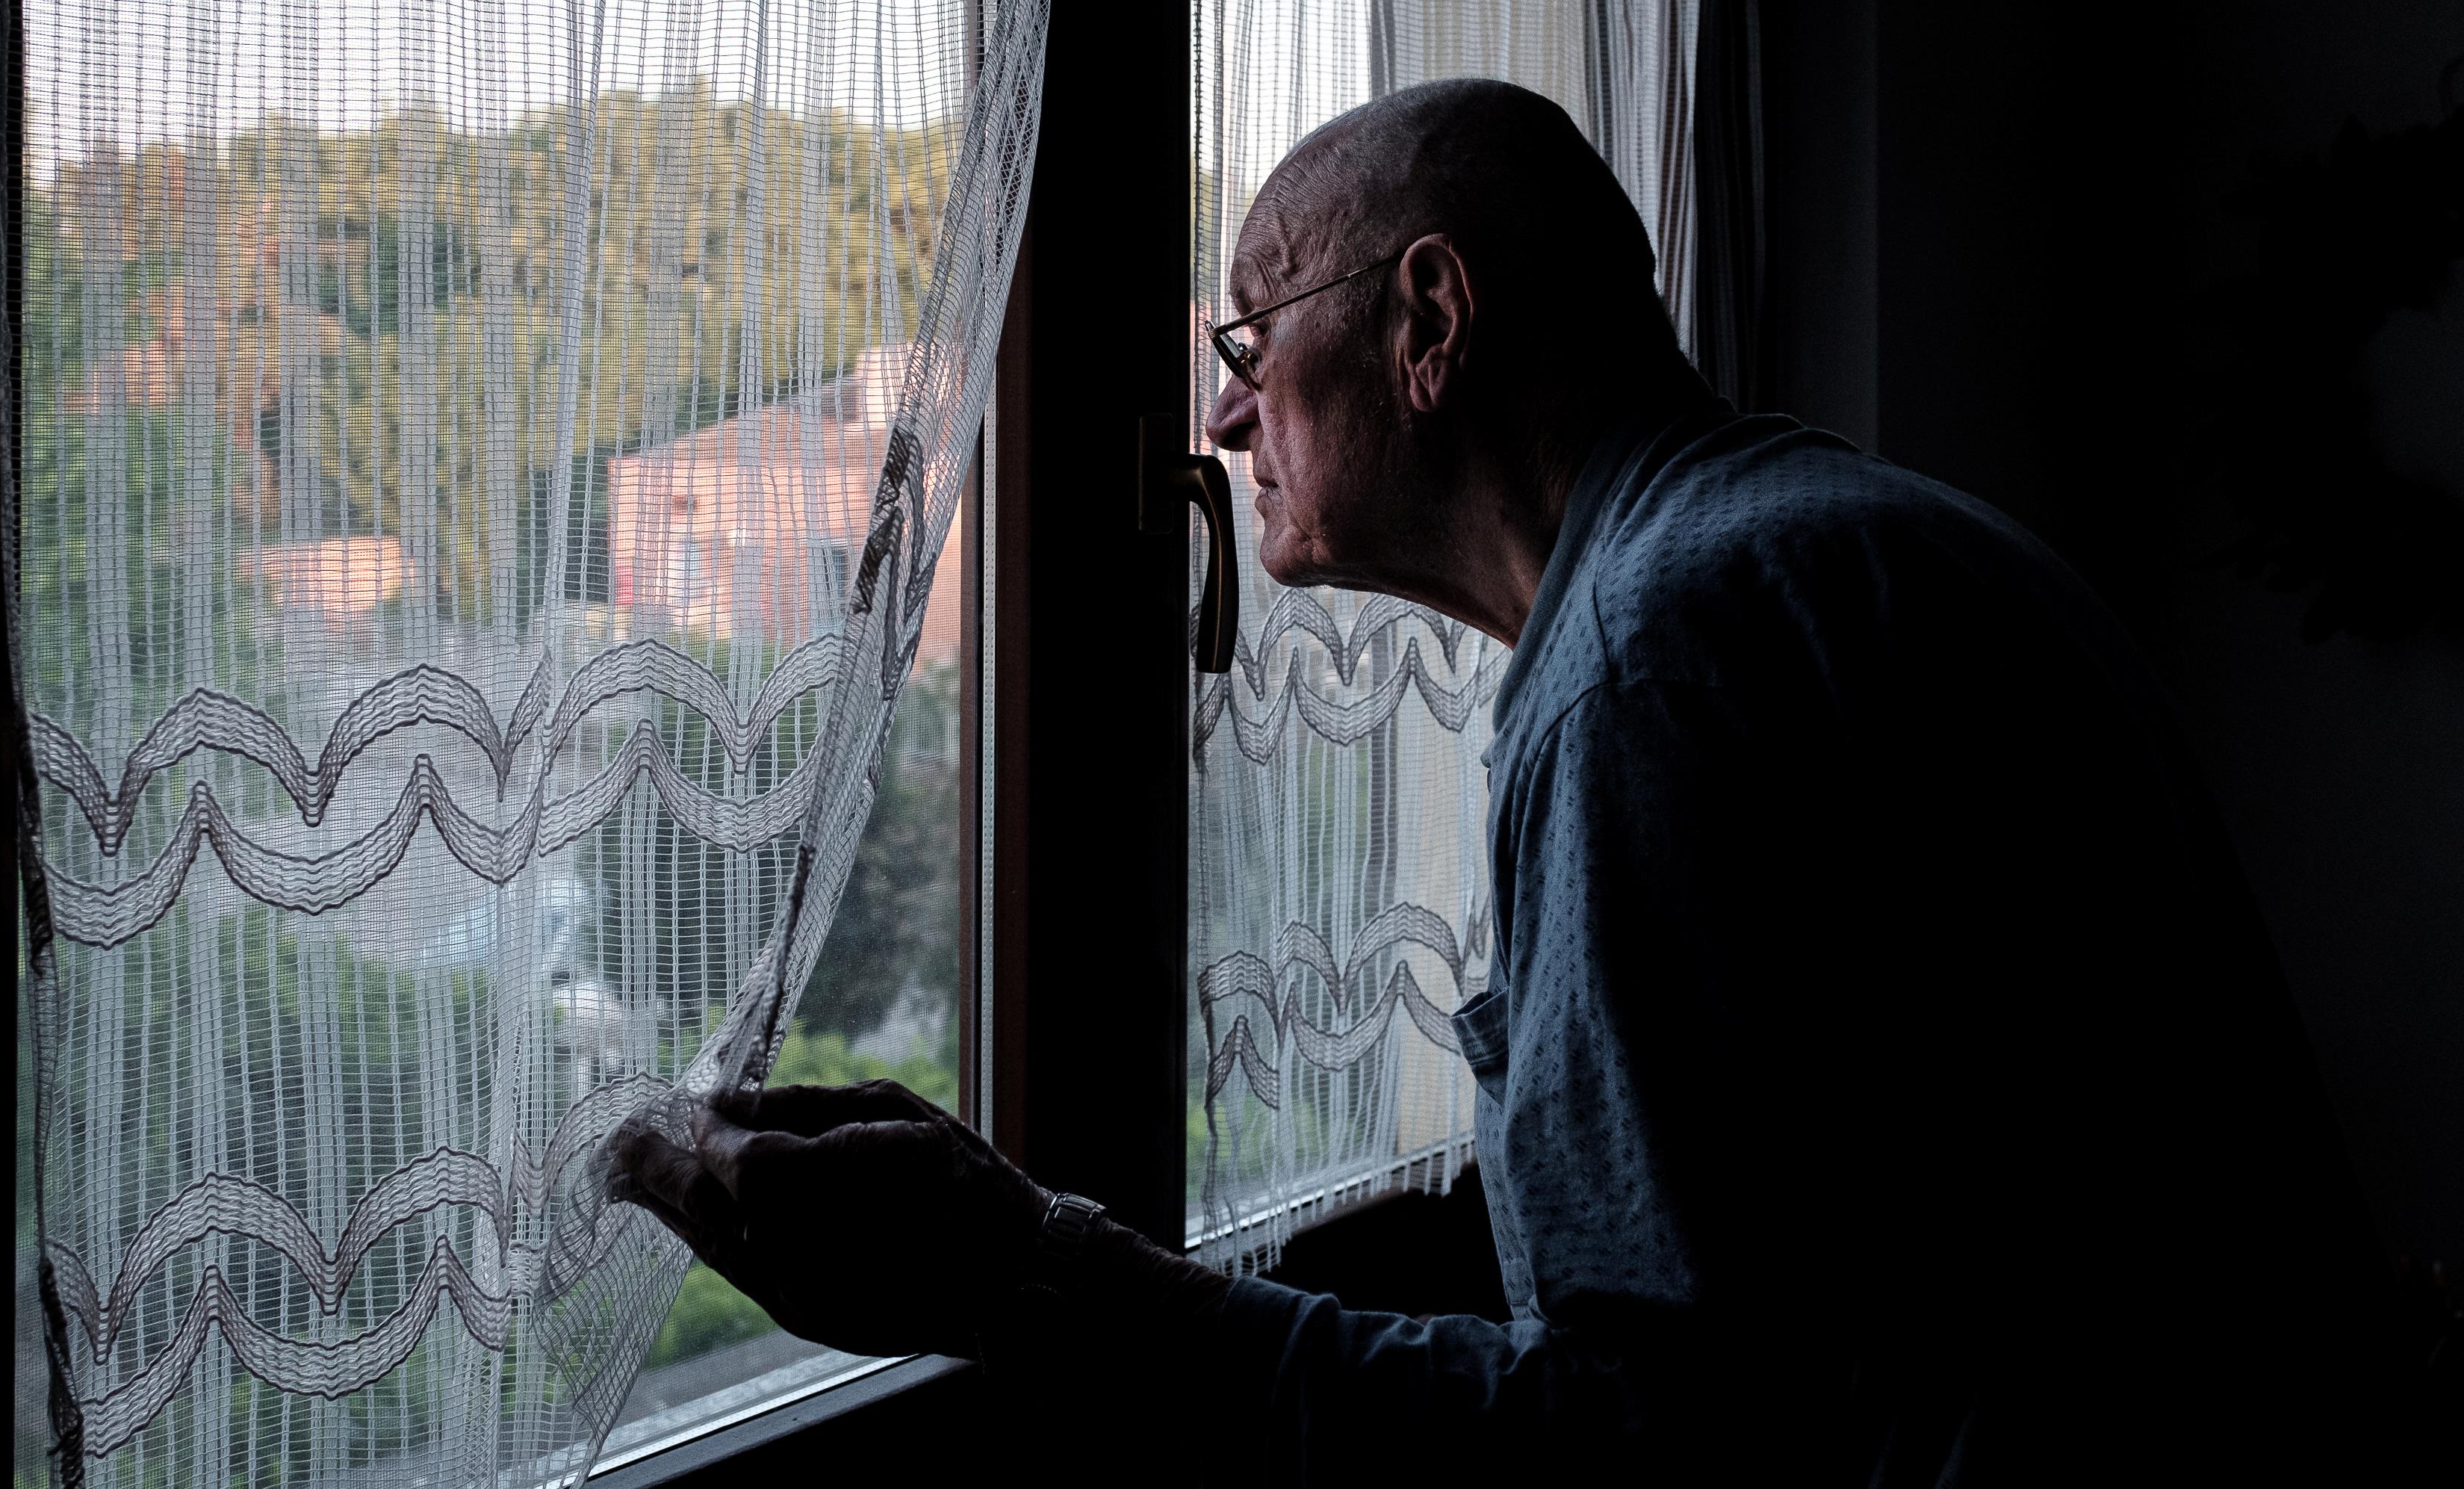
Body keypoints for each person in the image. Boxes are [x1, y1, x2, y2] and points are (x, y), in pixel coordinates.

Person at [607, 78, 2400, 1482]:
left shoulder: (1655, 670)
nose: (1221, 424)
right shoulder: (1849, 543)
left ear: (1427, 320)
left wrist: (1040, 1273)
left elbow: (1653, 1452)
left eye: (1247, 340)